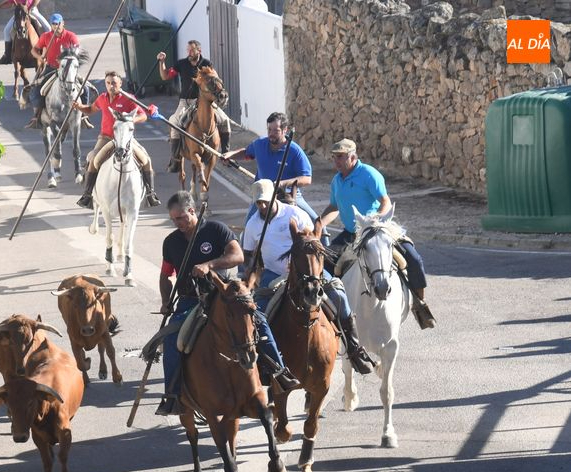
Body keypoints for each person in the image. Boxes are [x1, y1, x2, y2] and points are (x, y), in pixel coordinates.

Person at [154, 192, 300, 416]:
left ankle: (279, 371)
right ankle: (173, 394)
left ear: (192, 211)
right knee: (171, 338)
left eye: (181, 218)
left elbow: (237, 255)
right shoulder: (170, 242)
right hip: (189, 300)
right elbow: (166, 275)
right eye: (174, 219)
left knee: (258, 320)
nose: (178, 223)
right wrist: (165, 301)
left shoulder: (215, 230)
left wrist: (209, 265)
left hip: (224, 294)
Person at [242, 180, 375, 375]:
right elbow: (248, 255)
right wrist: (254, 269)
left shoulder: (295, 213)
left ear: (273, 198)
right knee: (257, 314)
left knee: (339, 296)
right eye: (258, 203)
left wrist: (300, 259)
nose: (262, 207)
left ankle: (355, 349)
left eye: (265, 202)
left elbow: (314, 240)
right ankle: (264, 360)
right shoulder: (253, 225)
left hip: (307, 269)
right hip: (273, 273)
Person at [320, 138, 436, 330]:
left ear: (353, 156)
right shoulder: (336, 181)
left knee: (413, 259)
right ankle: (332, 314)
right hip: (352, 232)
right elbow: (334, 206)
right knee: (324, 264)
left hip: (376, 229)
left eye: (340, 157)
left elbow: (385, 201)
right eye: (334, 158)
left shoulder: (369, 174)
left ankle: (420, 305)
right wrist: (319, 223)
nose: (336, 162)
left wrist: (378, 220)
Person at [223, 112, 327, 243]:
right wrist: (230, 155)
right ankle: (245, 262)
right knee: (248, 229)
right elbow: (246, 153)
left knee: (319, 226)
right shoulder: (260, 144)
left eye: (276, 130)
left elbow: (307, 178)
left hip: (288, 195)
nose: (271, 133)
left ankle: (326, 262)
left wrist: (283, 183)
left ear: (285, 130)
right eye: (269, 130)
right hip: (263, 196)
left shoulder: (295, 151)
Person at [72, 71, 160, 209]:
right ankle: (87, 195)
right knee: (93, 159)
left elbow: (143, 116)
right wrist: (80, 107)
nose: (111, 86)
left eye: (114, 83)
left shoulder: (129, 98)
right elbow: (90, 109)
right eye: (108, 83)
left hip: (125, 139)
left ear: (120, 84)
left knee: (146, 160)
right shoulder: (102, 98)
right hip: (106, 138)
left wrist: (130, 121)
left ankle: (150, 194)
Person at [156, 40, 232, 172]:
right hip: (186, 102)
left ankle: (226, 154)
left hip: (205, 102)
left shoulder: (206, 64)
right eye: (188, 50)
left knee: (224, 120)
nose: (189, 53)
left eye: (192, 50)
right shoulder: (181, 64)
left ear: (199, 51)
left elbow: (216, 79)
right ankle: (175, 159)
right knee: (173, 122)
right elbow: (165, 76)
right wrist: (161, 62)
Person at [25, 13, 93, 130]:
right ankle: (37, 116)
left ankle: (84, 116)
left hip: (67, 69)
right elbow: (34, 50)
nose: (56, 26)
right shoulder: (46, 36)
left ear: (63, 23)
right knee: (36, 89)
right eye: (53, 24)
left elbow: (77, 51)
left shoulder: (71, 36)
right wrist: (40, 57)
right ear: (51, 25)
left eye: (58, 23)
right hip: (51, 68)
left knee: (85, 89)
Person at [0, 0, 50, 66]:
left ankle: (49, 53)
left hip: (31, 9)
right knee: (6, 30)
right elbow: (10, 4)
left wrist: (29, 8)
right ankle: (7, 55)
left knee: (48, 28)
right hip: (19, 11)